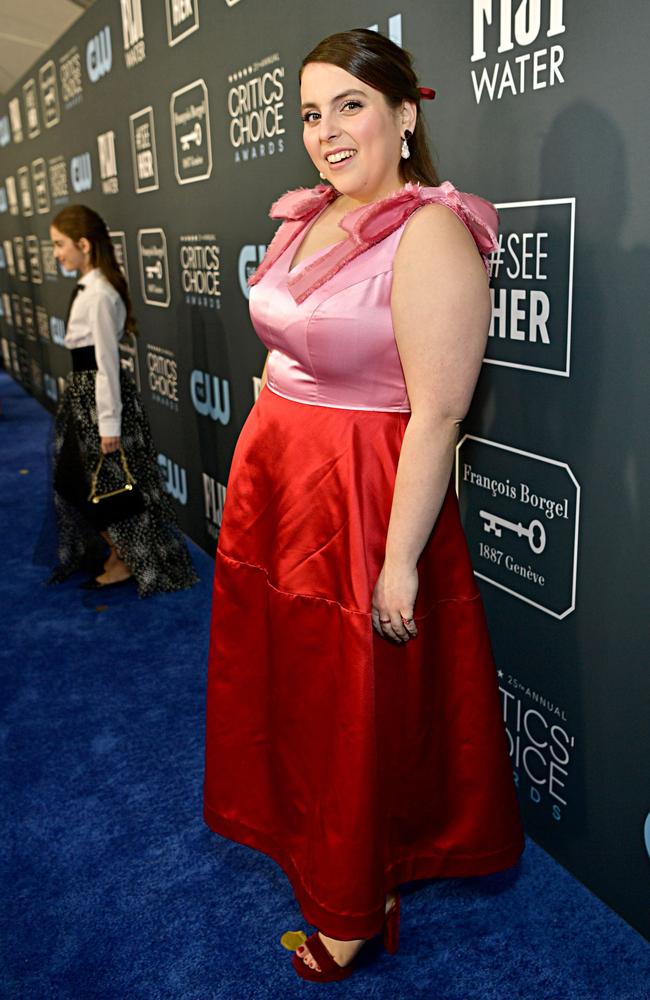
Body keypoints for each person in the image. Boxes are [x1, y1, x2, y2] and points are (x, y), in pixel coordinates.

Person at [203, 28, 525, 983]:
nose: (327, 131)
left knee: (356, 698)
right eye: (311, 113)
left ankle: (354, 903)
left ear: (405, 114)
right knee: (298, 687)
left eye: (350, 105)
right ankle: (313, 839)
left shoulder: (433, 230)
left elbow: (440, 413)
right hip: (282, 487)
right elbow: (283, 343)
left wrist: (397, 560)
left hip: (363, 498)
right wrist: (261, 444)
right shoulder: (306, 217)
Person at [48, 204, 198, 598]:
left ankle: (124, 558)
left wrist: (109, 424)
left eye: (60, 244)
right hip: (84, 400)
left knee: (104, 484)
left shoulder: (98, 294)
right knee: (80, 481)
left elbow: (105, 365)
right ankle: (121, 553)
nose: (56, 254)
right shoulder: (89, 287)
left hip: (98, 403)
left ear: (83, 243)